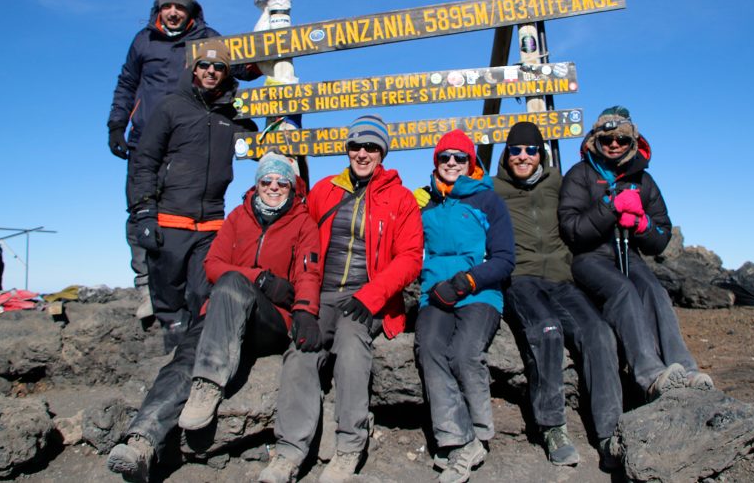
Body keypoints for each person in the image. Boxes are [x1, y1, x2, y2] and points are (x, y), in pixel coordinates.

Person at [107, 153, 321, 483]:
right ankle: (141, 444)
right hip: (223, 311)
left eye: (282, 182)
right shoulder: (238, 217)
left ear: (292, 187)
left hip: (270, 321)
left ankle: (209, 384)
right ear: (257, 184)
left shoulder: (303, 222)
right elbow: (213, 264)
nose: (274, 187)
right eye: (267, 181)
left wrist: (305, 311)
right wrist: (259, 277)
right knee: (183, 358)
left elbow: (309, 272)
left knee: (234, 283)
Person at [258, 115, 423, 483]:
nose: (362, 153)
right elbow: (299, 232)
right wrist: (301, 300)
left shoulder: (401, 198)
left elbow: (411, 257)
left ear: (382, 151)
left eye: (371, 146)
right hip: (321, 292)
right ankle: (288, 453)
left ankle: (348, 447)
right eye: (355, 146)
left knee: (351, 344)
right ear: (346, 149)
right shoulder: (324, 190)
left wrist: (372, 296)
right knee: (301, 348)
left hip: (368, 295)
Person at [108, 0, 260, 318]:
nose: (174, 12)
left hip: (192, 139)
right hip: (147, 134)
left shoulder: (207, 38)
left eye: (180, 7)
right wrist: (116, 123)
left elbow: (241, 67)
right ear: (159, 9)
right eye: (168, 7)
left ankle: (190, 291)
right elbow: (127, 82)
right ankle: (146, 287)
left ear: (190, 10)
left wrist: (270, 34)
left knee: (186, 216)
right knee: (141, 210)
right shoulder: (143, 41)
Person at [558, 106, 713, 404]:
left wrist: (642, 224)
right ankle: (651, 376)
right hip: (589, 257)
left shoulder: (643, 180)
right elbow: (572, 229)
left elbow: (661, 237)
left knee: (655, 291)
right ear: (595, 141)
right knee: (624, 290)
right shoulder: (580, 175)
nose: (614, 144)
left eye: (621, 139)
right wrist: (610, 207)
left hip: (628, 253)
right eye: (607, 139)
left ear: (633, 142)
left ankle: (685, 369)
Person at [491, 121, 624, 470]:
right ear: (507, 154)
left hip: (562, 278)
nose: (523, 156)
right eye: (516, 150)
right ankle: (553, 427)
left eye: (531, 150)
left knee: (598, 332)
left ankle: (610, 432)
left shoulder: (557, 182)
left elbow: (584, 208)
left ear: (541, 154)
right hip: (520, 278)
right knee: (547, 330)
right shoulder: (493, 188)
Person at [130, 40, 245, 350]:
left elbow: (259, 146)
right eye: (204, 65)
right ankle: (170, 355)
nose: (211, 71)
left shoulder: (231, 114)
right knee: (168, 295)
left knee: (200, 295)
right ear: (194, 69)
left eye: (218, 66)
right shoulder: (171, 106)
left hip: (211, 225)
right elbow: (144, 161)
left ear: (225, 72)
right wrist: (143, 211)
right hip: (170, 218)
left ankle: (192, 357)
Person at [415, 130, 515, 483]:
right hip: (434, 293)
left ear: (472, 163)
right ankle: (458, 439)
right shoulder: (425, 201)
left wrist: (465, 282)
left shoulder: (488, 200)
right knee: (429, 348)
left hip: (478, 291)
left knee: (464, 352)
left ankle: (479, 432)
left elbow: (504, 259)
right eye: (446, 157)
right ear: (436, 162)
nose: (453, 163)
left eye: (461, 158)